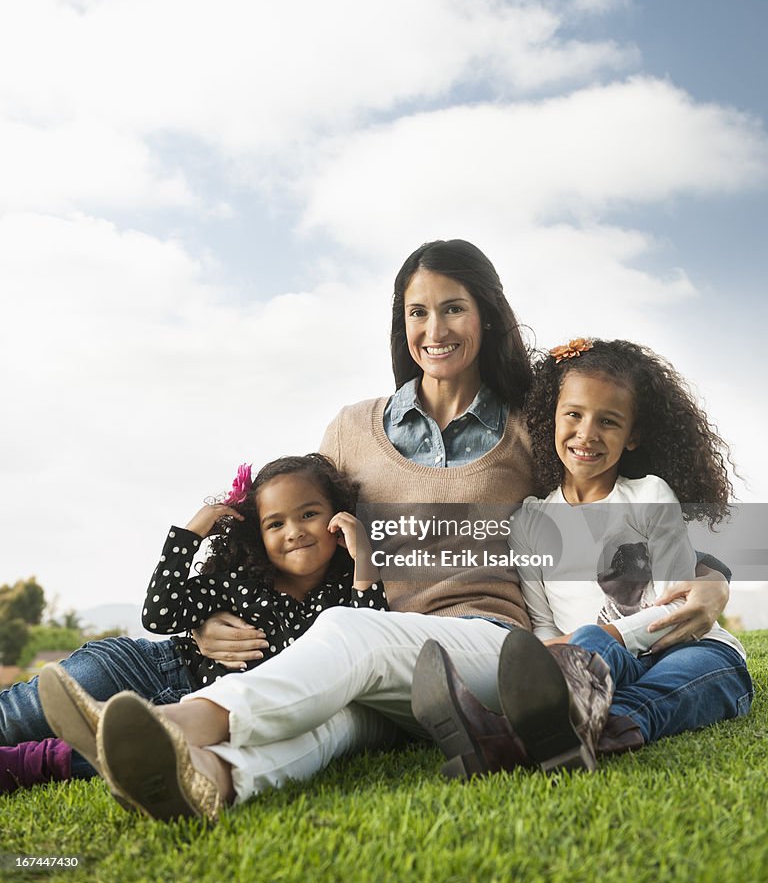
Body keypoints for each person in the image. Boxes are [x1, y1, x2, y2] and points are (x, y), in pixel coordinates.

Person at [39, 242, 731, 819]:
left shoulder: (533, 425)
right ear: (400, 324)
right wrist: (208, 616)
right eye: (418, 312)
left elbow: (619, 515)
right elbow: (292, 536)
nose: (437, 329)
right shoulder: (349, 428)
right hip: (382, 668)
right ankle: (207, 779)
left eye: (454, 308)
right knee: (333, 722)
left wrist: (712, 578)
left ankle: (178, 721)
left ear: (486, 318)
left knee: (350, 632)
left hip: (486, 651)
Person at [411, 338, 753, 778]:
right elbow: (546, 627)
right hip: (591, 669)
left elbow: (677, 607)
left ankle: (503, 738)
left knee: (679, 673)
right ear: (550, 418)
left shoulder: (648, 495)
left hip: (691, 649)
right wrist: (575, 649)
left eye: (608, 422)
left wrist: (596, 638)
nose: (587, 434)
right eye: (573, 414)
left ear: (633, 437)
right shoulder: (531, 521)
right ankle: (568, 726)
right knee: (584, 652)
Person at [0, 454, 389, 794]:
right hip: (143, 669)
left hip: (204, 716)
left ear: (337, 517)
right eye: (275, 524)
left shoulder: (344, 595)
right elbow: (160, 615)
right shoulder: (241, 582)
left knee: (137, 752)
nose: (294, 531)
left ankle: (25, 765)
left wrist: (364, 559)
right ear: (257, 534)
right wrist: (189, 535)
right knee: (15, 718)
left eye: (309, 514)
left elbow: (369, 640)